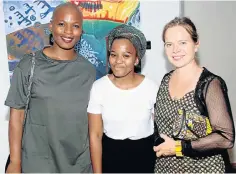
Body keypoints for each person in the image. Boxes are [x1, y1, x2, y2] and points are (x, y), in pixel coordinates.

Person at [5, 2, 96, 173]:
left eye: (75, 26)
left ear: (81, 30)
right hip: (38, 164)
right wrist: (15, 162)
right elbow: (16, 117)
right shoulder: (29, 65)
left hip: (79, 166)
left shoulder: (88, 71)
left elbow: (93, 124)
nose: (68, 31)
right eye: (62, 24)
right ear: (51, 26)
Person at [153, 17, 235, 173]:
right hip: (166, 168)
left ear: (196, 45)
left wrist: (178, 148)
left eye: (182, 43)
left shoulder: (209, 84)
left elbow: (226, 138)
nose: (175, 50)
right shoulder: (165, 80)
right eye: (169, 44)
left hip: (204, 169)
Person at [87, 24, 158, 173]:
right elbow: (95, 135)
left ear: (136, 59)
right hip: (110, 159)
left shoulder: (151, 87)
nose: (118, 61)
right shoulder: (98, 87)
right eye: (113, 54)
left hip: (145, 159)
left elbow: (161, 130)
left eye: (126, 55)